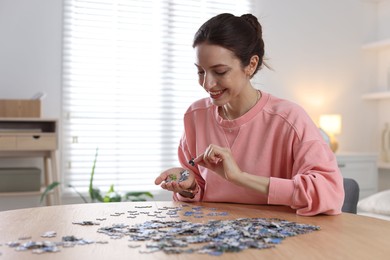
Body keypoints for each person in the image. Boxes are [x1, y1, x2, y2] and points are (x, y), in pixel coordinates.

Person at [154, 13, 344, 216]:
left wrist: (239, 177)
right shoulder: (195, 116)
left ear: (251, 65)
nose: (207, 84)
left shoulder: (290, 119)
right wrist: (190, 186)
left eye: (219, 72)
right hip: (212, 238)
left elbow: (330, 194)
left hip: (280, 240)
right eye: (201, 72)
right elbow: (197, 192)